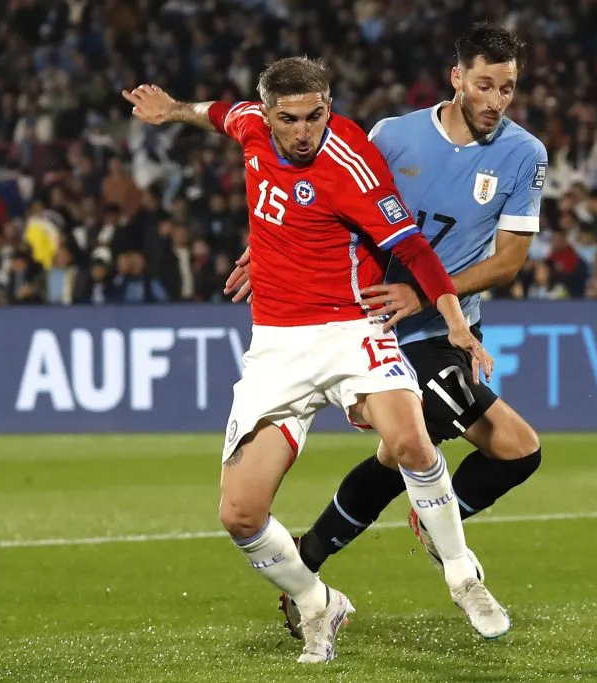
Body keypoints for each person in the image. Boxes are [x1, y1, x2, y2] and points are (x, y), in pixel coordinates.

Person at [121, 56, 510, 664]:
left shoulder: (352, 161)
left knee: (409, 440)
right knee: (240, 514)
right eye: (290, 120)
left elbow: (410, 246)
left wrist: (455, 321)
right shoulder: (252, 126)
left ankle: (463, 575)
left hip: (351, 329)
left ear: (329, 106)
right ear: (268, 114)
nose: (304, 132)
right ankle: (316, 603)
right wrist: (172, 109)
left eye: (316, 116)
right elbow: (219, 114)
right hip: (277, 344)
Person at [224, 24, 546, 636]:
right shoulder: (392, 136)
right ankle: (443, 551)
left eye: (508, 88)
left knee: (452, 455)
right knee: (468, 440)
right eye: (484, 85)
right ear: (456, 78)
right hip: (380, 324)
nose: (496, 100)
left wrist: (426, 296)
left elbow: (508, 262)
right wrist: (267, 247)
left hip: (447, 324)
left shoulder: (525, 155)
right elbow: (325, 204)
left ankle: (330, 554)